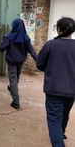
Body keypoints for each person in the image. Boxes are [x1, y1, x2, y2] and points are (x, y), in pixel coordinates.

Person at [36, 17, 75, 147]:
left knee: (54, 119)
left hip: (53, 87)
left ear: (58, 29)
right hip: (71, 89)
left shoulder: (50, 45)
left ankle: (58, 141)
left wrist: (51, 69)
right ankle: (61, 133)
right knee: (65, 114)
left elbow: (40, 64)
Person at [0, 18, 37, 109]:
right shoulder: (26, 38)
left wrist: (2, 44)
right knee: (16, 77)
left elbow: (2, 48)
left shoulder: (8, 37)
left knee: (13, 79)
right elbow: (32, 51)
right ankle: (11, 87)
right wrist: (39, 61)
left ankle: (16, 102)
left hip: (11, 61)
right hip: (21, 61)